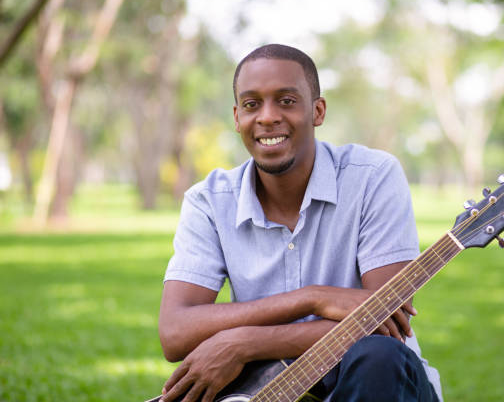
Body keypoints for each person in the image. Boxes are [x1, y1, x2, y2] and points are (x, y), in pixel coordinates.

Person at [158, 44, 442, 402]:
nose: (267, 117)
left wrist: (244, 342)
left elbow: (384, 322)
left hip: (381, 387)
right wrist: (312, 299)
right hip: (271, 390)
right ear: (236, 118)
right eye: (251, 104)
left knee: (376, 356)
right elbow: (175, 332)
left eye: (287, 101)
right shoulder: (210, 201)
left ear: (317, 110)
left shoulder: (373, 177)